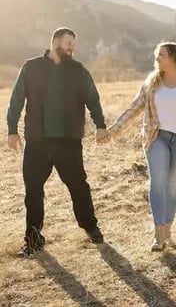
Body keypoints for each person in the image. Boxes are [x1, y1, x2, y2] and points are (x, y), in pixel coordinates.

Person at [7, 27, 109, 257]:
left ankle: (90, 227)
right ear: (55, 42)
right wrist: (12, 130)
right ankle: (33, 238)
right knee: (33, 190)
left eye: (75, 43)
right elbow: (16, 99)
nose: (72, 46)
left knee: (78, 185)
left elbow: (92, 98)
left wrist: (100, 125)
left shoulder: (78, 71)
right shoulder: (31, 67)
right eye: (68, 42)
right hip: (37, 141)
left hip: (68, 141)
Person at [108, 41, 176, 251]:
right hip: (156, 137)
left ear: (174, 57)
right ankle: (158, 235)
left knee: (172, 187)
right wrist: (113, 130)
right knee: (158, 183)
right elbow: (134, 108)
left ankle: (167, 229)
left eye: (161, 56)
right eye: (157, 56)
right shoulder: (152, 83)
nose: (157, 60)